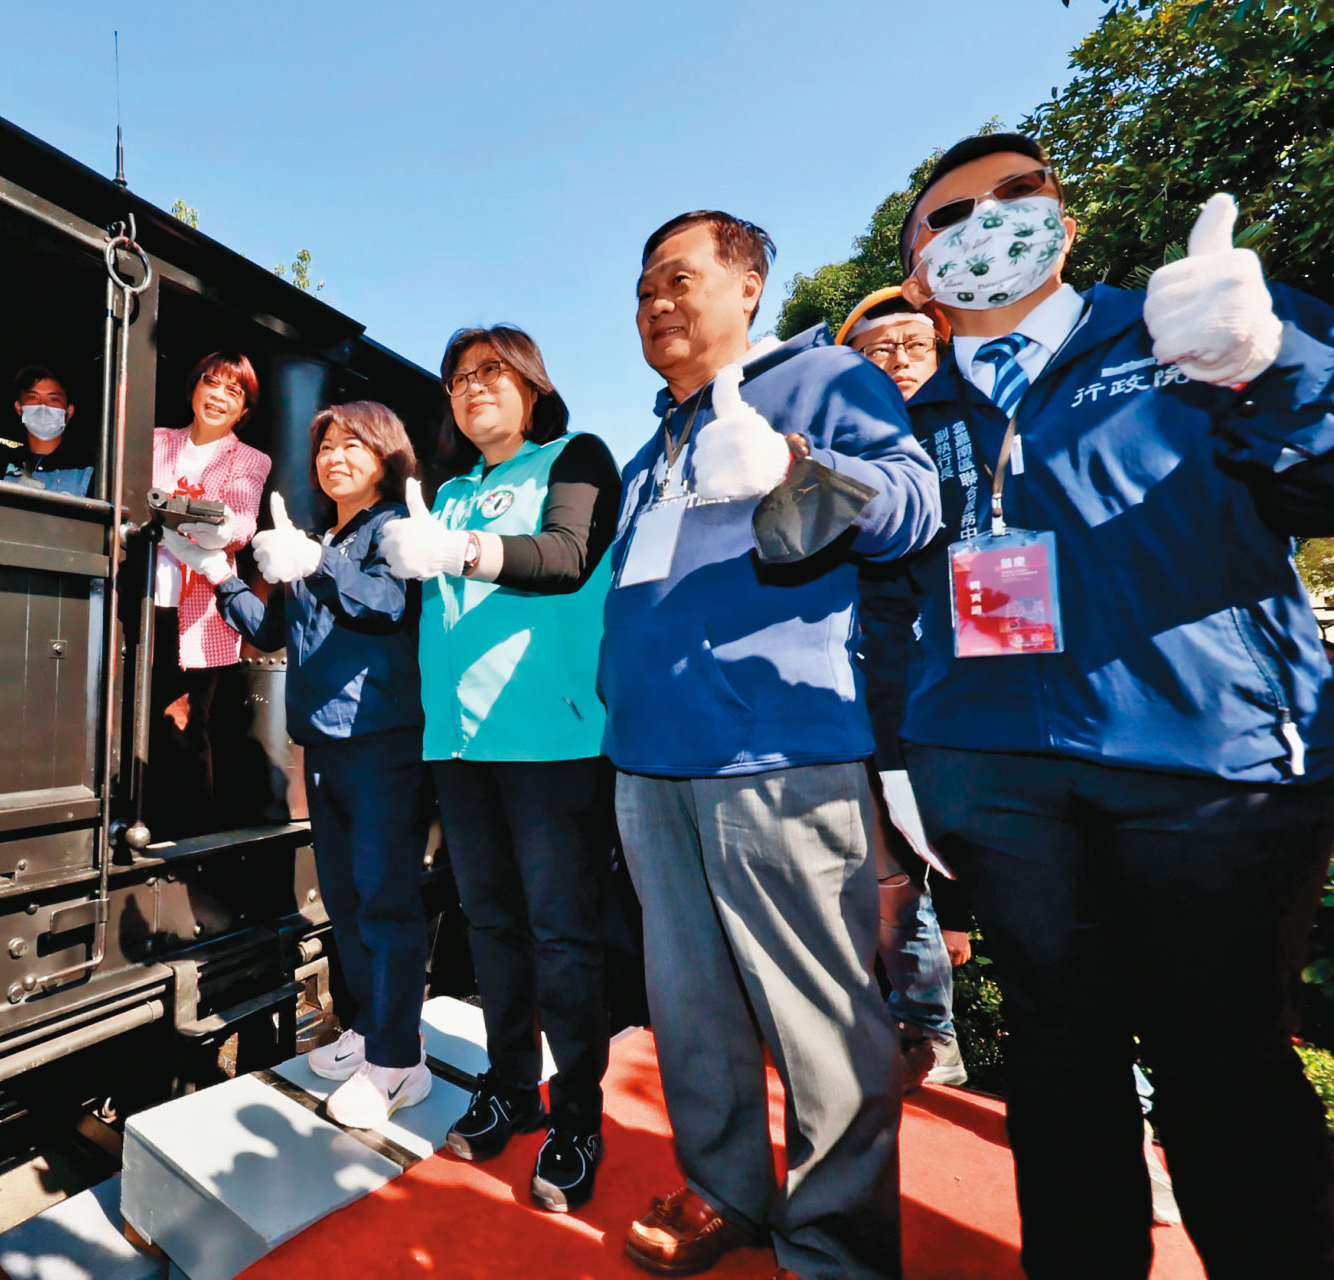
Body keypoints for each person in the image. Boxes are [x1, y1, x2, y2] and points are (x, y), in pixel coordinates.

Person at [882, 131, 1334, 1276]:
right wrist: (913, 756)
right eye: (950, 215)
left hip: (1209, 764)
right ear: (920, 272)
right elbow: (900, 601)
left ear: (1066, 222)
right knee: (1056, 1053)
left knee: (1223, 1063)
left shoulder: (1191, 322)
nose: (987, 220)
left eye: (1017, 194)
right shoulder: (913, 418)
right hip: (998, 776)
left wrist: (1272, 360)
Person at [603, 211, 939, 1279]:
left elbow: (914, 502)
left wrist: (803, 471)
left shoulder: (825, 377)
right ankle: (724, 1191)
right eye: (643, 289)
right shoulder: (650, 445)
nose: (656, 302)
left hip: (777, 751)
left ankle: (835, 1245)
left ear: (748, 286)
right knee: (689, 1008)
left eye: (678, 278)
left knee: (820, 1018)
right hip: (649, 760)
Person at [379, 324, 621, 1214]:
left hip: (552, 741)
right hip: (459, 744)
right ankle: (513, 1083)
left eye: (493, 371)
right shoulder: (449, 493)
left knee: (562, 933)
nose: (473, 386)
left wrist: (467, 552)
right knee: (490, 926)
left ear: (532, 385)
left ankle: (578, 1116)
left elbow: (567, 555)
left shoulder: (573, 456)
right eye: (459, 377)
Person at [169, 401, 435, 1128]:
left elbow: (383, 606)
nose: (334, 458)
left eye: (352, 445)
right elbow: (270, 632)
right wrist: (217, 573)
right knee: (346, 900)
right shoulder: (319, 538)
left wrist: (318, 563)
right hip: (322, 743)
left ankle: (399, 1060)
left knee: (385, 901)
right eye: (325, 448)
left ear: (385, 455)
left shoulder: (395, 530)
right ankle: (368, 1031)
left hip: (382, 742)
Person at [837, 287, 969, 1092]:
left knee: (1038, 885)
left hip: (984, 674)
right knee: (887, 868)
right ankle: (925, 1031)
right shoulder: (839, 447)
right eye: (876, 351)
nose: (897, 361)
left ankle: (1118, 1096)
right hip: (874, 680)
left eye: (914, 346)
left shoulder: (976, 422)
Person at [148, 352, 271, 834]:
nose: (219, 396)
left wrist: (215, 528)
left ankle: (186, 840)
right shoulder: (156, 440)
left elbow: (242, 523)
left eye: (233, 391)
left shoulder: (250, 459)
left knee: (182, 722)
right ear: (194, 389)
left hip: (197, 613)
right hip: (139, 600)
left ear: (244, 409)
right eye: (211, 383)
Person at [8, 365, 95, 497]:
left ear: (69, 411)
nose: (42, 406)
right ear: (19, 407)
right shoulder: (3, 462)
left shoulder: (88, 469)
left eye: (53, 399)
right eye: (33, 397)